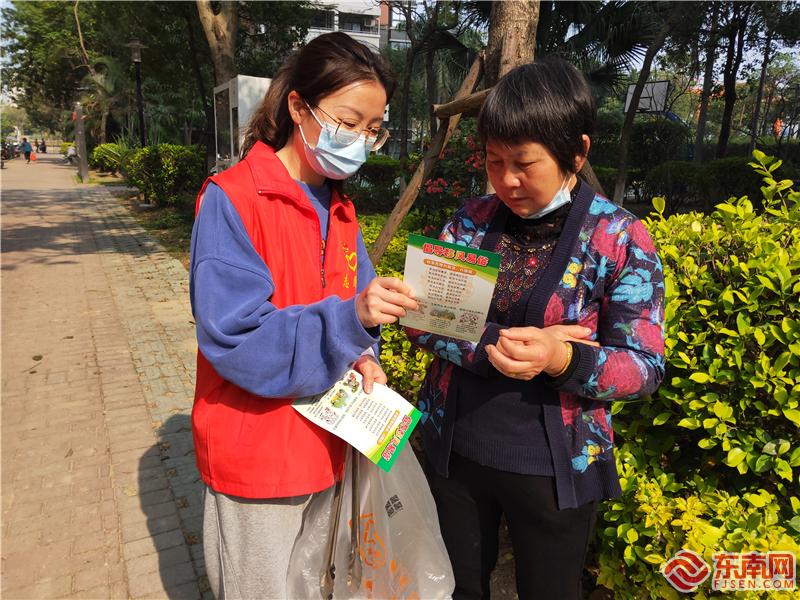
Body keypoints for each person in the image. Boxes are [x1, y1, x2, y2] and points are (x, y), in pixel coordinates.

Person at [406, 57, 666, 600]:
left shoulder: (617, 238)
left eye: (524, 163)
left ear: (577, 152)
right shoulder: (473, 221)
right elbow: (423, 319)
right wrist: (493, 344)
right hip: (456, 452)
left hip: (553, 469)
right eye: (494, 162)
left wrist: (563, 359)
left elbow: (643, 367)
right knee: (455, 588)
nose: (507, 180)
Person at [189, 32, 418, 599]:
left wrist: (364, 354)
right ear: (298, 106)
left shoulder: (339, 207)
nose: (360, 140)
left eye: (373, 128)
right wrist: (349, 320)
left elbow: (354, 308)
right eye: (349, 121)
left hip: (329, 445)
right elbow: (236, 336)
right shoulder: (234, 198)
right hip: (259, 455)